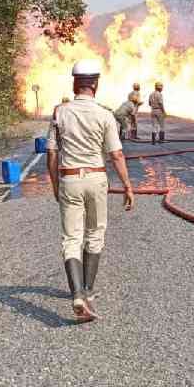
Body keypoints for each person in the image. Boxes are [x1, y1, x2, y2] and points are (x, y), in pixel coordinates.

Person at [47, 60, 135, 322]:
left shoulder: (59, 113)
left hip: (69, 179)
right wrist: (128, 186)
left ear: (75, 84)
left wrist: (55, 184)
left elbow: (51, 153)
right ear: (95, 85)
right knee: (95, 234)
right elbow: (116, 154)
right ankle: (87, 291)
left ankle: (75, 294)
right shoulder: (105, 114)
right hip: (96, 179)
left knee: (70, 238)